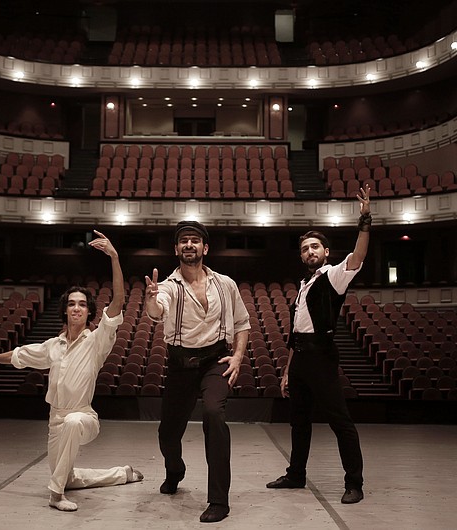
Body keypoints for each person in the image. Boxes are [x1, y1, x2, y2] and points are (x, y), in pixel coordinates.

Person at [0, 230, 143, 512]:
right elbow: (19, 355)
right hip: (55, 421)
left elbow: (118, 302)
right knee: (68, 476)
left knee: (71, 427)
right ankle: (122, 474)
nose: (76, 308)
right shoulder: (53, 345)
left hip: (83, 416)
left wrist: (115, 257)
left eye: (82, 304)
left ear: (88, 312)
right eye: (72, 303)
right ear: (65, 310)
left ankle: (55, 496)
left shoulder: (97, 341)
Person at [266, 184, 372, 505]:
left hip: (323, 358)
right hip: (300, 360)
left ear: (326, 252)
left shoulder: (334, 276)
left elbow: (360, 255)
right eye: (305, 249)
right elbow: (295, 335)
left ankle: (354, 483)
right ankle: (296, 474)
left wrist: (364, 220)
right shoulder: (303, 285)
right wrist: (287, 371)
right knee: (298, 421)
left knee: (340, 422)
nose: (310, 252)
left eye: (315, 247)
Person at [144, 220, 251, 523]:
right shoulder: (167, 286)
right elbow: (157, 311)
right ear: (176, 249)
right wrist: (151, 301)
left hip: (215, 361)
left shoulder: (225, 284)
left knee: (214, 414)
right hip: (180, 365)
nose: (188, 245)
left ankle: (219, 500)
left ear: (205, 248)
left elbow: (242, 324)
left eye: (194, 240)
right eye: (183, 241)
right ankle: (175, 469)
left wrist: (238, 356)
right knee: (168, 434)